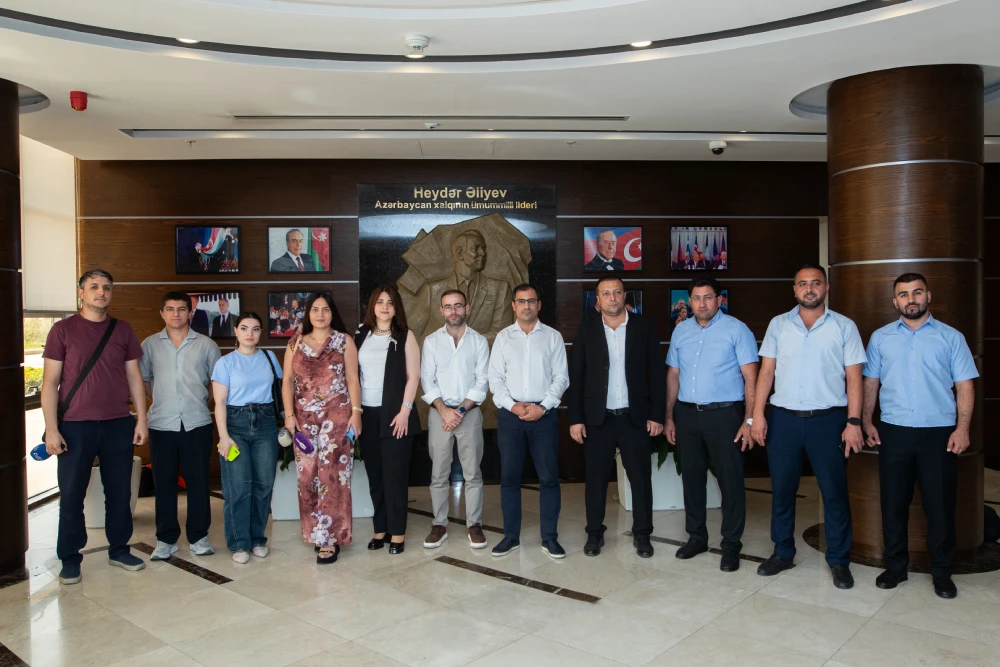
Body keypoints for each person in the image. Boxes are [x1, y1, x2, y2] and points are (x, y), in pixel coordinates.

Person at [751, 264, 867, 589]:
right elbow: (766, 373)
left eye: (816, 283)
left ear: (826, 288)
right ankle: (782, 553)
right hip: (784, 419)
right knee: (782, 491)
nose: (809, 288)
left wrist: (854, 421)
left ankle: (839, 560)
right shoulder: (778, 324)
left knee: (834, 493)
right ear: (795, 289)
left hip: (829, 421)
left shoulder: (844, 326)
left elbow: (855, 379)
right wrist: (757, 415)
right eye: (803, 283)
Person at [862, 273, 977, 599]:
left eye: (916, 292)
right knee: (893, 504)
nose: (910, 299)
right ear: (895, 301)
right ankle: (895, 567)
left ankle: (942, 571)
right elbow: (870, 382)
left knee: (940, 505)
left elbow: (965, 385)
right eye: (903, 294)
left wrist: (962, 428)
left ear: (928, 295)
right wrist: (867, 421)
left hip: (938, 434)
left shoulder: (951, 337)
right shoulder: (881, 338)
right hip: (894, 431)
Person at [42, 269, 148, 585]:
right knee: (72, 495)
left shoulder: (123, 329)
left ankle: (119, 549)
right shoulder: (62, 330)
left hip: (118, 424)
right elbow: (50, 382)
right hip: (75, 427)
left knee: (119, 492)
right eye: (94, 287)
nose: (101, 292)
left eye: (106, 287)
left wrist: (141, 419)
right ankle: (70, 558)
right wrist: (51, 428)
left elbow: (134, 377)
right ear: (81, 292)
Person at [568, 274, 665, 558]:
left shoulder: (643, 327)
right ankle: (594, 533)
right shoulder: (586, 330)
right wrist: (575, 418)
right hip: (598, 419)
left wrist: (657, 414)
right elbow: (577, 377)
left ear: (625, 296)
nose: (612, 298)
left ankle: (643, 534)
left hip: (636, 418)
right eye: (606, 293)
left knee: (641, 479)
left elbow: (656, 374)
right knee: (595, 480)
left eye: (617, 292)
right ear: (597, 300)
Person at [665, 278, 759, 572]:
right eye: (696, 298)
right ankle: (696, 538)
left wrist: (749, 420)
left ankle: (731, 544)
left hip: (725, 416)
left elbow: (751, 377)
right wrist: (669, 416)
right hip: (687, 415)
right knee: (692, 479)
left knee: (730, 481)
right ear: (690, 301)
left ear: (719, 300)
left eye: (708, 297)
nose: (702, 303)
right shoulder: (681, 331)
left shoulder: (736, 329)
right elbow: (673, 375)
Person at [489, 284, 569, 558]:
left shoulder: (553, 337)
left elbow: (561, 378)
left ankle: (550, 538)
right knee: (509, 478)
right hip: (510, 416)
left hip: (543, 416)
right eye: (521, 301)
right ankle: (510, 537)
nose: (526, 306)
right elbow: (495, 379)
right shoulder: (503, 338)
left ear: (539, 304)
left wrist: (542, 407)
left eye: (531, 301)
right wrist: (512, 406)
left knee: (549, 478)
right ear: (513, 305)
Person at [282, 293, 362, 564]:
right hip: (303, 418)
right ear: (308, 314)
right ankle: (316, 532)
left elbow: (353, 379)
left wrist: (356, 413)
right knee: (307, 477)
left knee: (333, 476)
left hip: (337, 415)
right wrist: (289, 416)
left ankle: (330, 538)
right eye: (315, 309)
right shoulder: (295, 342)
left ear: (332, 313)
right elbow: (287, 381)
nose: (320, 314)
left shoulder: (344, 341)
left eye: (325, 309)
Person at [141, 291, 221, 560]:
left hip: (197, 422)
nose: (176, 314)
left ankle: (199, 536)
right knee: (163, 483)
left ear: (190, 312)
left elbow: (216, 385)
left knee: (198, 481)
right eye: (170, 309)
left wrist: (196, 401)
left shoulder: (207, 345)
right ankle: (165, 539)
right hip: (161, 424)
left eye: (181, 309)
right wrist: (162, 401)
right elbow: (144, 381)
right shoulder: (149, 345)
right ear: (162, 313)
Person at [420, 289, 490, 550]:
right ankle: (439, 524)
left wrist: (458, 411)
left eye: (458, 306)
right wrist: (444, 410)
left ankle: (475, 524)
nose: (453, 311)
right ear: (441, 310)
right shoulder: (431, 342)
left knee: (473, 473)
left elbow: (482, 382)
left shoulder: (479, 341)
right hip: (440, 414)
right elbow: (427, 380)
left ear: (467, 308)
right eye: (448, 306)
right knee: (438, 473)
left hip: (468, 415)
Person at [354, 286, 421, 555]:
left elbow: (413, 377)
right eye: (380, 302)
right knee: (376, 476)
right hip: (367, 414)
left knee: (395, 476)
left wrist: (405, 411)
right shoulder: (360, 334)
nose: (384, 307)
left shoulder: (405, 335)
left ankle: (397, 532)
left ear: (396, 308)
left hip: (396, 414)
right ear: (372, 305)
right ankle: (380, 529)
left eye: (390, 302)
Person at [212, 312, 282, 564]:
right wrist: (224, 436)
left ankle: (257, 539)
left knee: (263, 484)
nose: (249, 333)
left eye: (255, 328)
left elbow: (281, 390)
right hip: (235, 424)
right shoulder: (225, 363)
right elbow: (219, 403)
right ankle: (239, 543)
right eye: (244, 328)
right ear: (236, 331)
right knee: (238, 486)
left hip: (265, 423)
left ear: (260, 332)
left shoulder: (269, 357)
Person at [410, 230, 513, 347]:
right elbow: (413, 333)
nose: (483, 253)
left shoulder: (500, 289)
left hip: (481, 356)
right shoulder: (432, 290)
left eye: (483, 248)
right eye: (476, 249)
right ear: (459, 254)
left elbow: (501, 333)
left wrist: (464, 342)